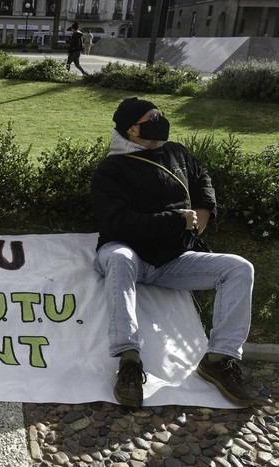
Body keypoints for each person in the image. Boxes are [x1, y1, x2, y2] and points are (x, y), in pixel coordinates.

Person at [90, 97, 255, 408]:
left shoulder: (176, 152)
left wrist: (205, 208)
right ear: (132, 130)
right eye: (153, 117)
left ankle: (219, 359)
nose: (161, 120)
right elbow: (118, 223)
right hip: (127, 252)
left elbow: (200, 175)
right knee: (120, 258)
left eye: (160, 114)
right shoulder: (111, 169)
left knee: (239, 268)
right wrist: (176, 220)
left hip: (173, 260)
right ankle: (129, 362)